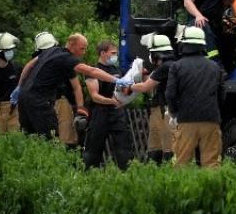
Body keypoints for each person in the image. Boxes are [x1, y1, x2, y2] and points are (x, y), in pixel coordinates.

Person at [14, 33, 133, 139]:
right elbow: (91, 71)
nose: (84, 52)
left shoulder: (53, 51)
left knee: (28, 137)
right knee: (49, 137)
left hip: (23, 97)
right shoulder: (67, 58)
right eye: (82, 48)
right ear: (72, 45)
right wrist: (116, 80)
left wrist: (19, 87)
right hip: (39, 100)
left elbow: (29, 65)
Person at [165, 26, 225, 168]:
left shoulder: (177, 66)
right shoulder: (215, 67)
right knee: (211, 164)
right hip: (211, 120)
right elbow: (221, 94)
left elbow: (170, 94)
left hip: (186, 120)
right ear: (203, 45)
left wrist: (174, 112)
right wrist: (215, 110)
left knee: (182, 163)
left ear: (184, 45)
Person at [82, 41, 133, 170]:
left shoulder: (117, 70)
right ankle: (89, 175)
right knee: (93, 150)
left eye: (116, 53)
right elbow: (94, 96)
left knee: (124, 148)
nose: (115, 56)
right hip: (100, 112)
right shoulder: (92, 70)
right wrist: (111, 101)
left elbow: (125, 90)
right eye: (113, 53)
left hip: (117, 112)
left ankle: (127, 175)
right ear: (103, 53)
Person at [130, 34, 176, 164]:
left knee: (167, 148)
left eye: (151, 52)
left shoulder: (165, 67)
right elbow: (152, 82)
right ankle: (157, 172)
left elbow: (145, 87)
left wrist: (128, 86)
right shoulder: (168, 66)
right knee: (156, 148)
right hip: (159, 111)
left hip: (165, 112)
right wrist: (144, 74)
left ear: (156, 53)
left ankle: (166, 173)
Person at [32, 32, 79, 148]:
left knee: (64, 139)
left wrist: (75, 105)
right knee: (51, 139)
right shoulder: (38, 62)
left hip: (57, 102)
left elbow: (73, 85)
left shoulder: (60, 60)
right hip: (45, 103)